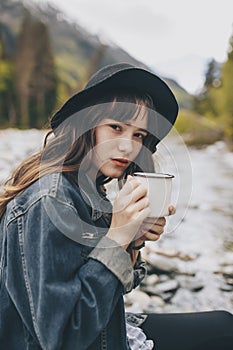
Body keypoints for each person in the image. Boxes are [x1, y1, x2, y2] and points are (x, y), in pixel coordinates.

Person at [0, 63, 232, 350]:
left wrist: (132, 241)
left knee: (224, 325)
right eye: (116, 127)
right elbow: (60, 339)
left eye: (139, 135)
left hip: (105, 329)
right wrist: (117, 236)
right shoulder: (50, 200)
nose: (128, 146)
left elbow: (109, 290)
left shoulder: (85, 189)